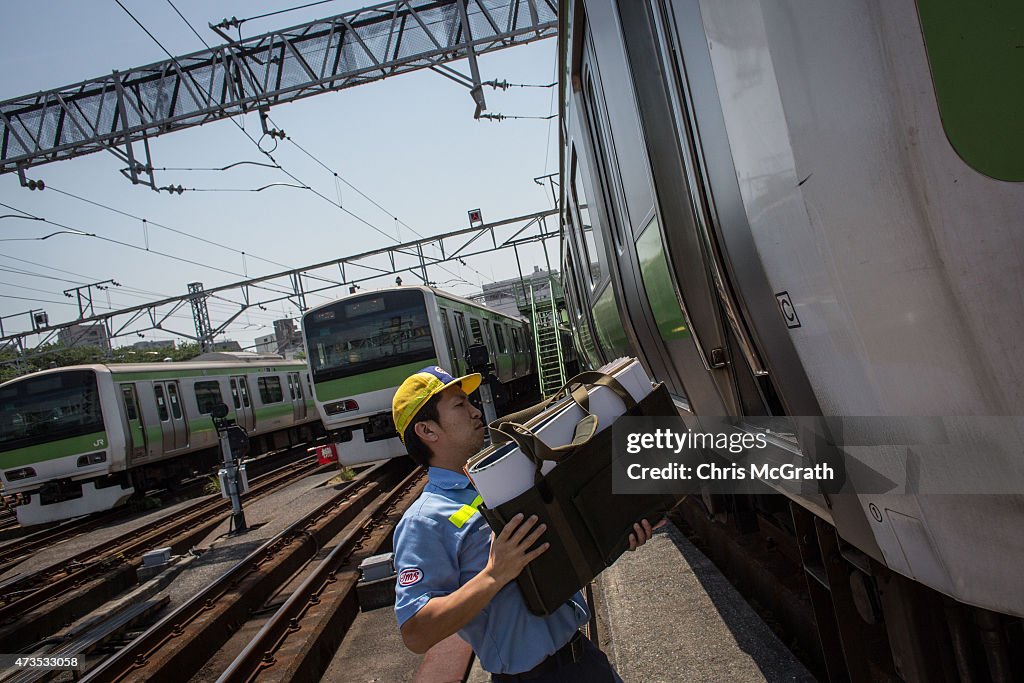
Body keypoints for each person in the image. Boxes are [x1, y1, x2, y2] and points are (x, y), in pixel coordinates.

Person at [391, 366, 660, 682]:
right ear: (428, 431)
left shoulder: (495, 482)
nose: (476, 411)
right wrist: (494, 574)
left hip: (583, 659)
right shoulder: (424, 521)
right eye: (460, 405)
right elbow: (416, 633)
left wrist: (617, 531)